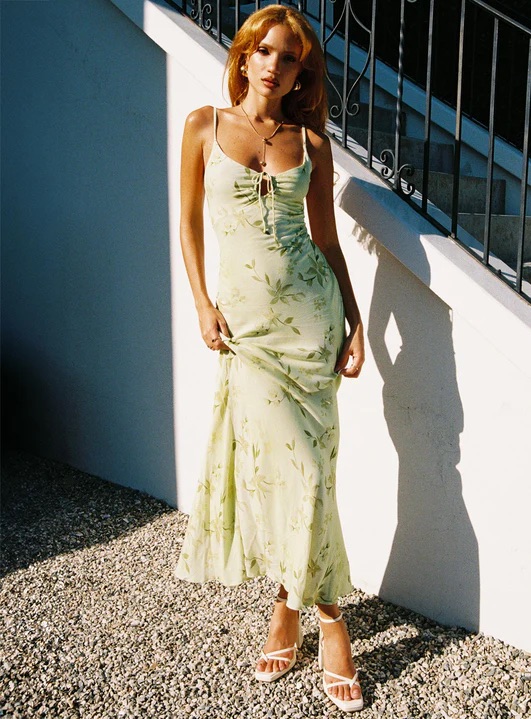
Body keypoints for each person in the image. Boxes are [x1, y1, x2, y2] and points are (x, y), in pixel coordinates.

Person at [175, 5, 365, 712]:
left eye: (288, 58)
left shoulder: (310, 139)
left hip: (311, 325)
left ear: (299, 72)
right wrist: (200, 302)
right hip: (248, 333)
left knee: (312, 473)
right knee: (283, 470)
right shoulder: (202, 125)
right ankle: (329, 614)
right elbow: (189, 224)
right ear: (244, 55)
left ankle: (294, 605)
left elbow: (326, 242)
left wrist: (355, 322)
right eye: (263, 51)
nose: (273, 65)